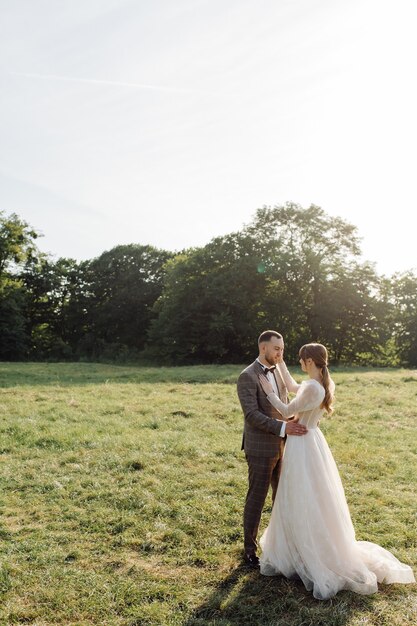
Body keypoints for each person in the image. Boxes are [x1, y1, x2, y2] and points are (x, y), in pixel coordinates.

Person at [258, 342, 415, 600]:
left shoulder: (312, 387)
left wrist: (269, 393)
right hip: (313, 441)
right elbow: (296, 388)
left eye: (300, 360)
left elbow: (287, 410)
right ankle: (302, 543)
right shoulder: (323, 384)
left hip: (302, 445)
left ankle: (304, 549)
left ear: (309, 361)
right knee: (316, 495)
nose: (299, 364)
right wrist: (281, 363)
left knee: (300, 495)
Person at [237, 330, 308, 568]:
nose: (281, 353)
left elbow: (285, 403)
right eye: (277, 349)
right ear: (263, 348)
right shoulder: (247, 376)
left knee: (282, 498)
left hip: (285, 446)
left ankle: (280, 547)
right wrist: (282, 428)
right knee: (257, 498)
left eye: (282, 349)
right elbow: (252, 415)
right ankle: (249, 550)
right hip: (260, 448)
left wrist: (297, 420)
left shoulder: (278, 371)